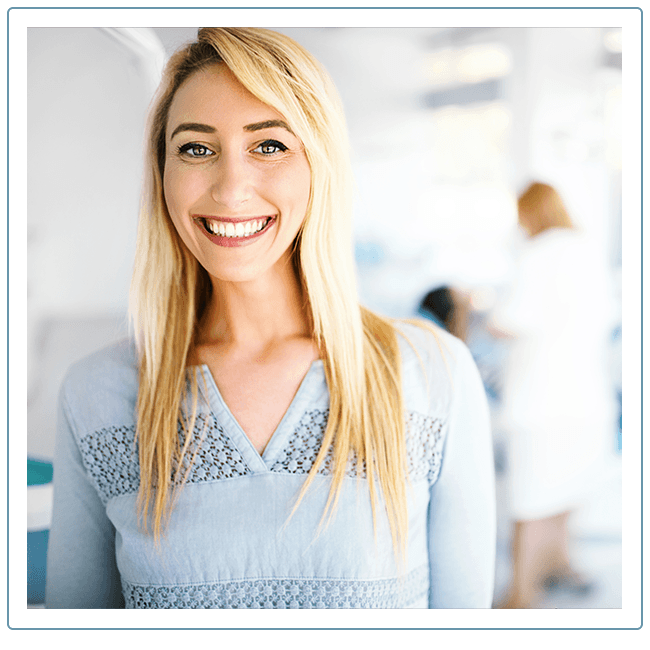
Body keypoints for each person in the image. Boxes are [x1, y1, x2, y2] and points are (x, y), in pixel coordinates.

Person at [45, 27, 495, 609]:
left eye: (270, 145)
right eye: (196, 148)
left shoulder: (435, 376)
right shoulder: (95, 394)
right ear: (162, 174)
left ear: (319, 165)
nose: (231, 189)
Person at [491, 182, 616, 609]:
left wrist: (483, 311)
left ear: (531, 212)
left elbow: (510, 320)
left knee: (528, 500)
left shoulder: (538, 253)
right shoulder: (585, 248)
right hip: (586, 397)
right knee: (566, 490)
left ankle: (520, 594)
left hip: (540, 403)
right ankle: (561, 566)